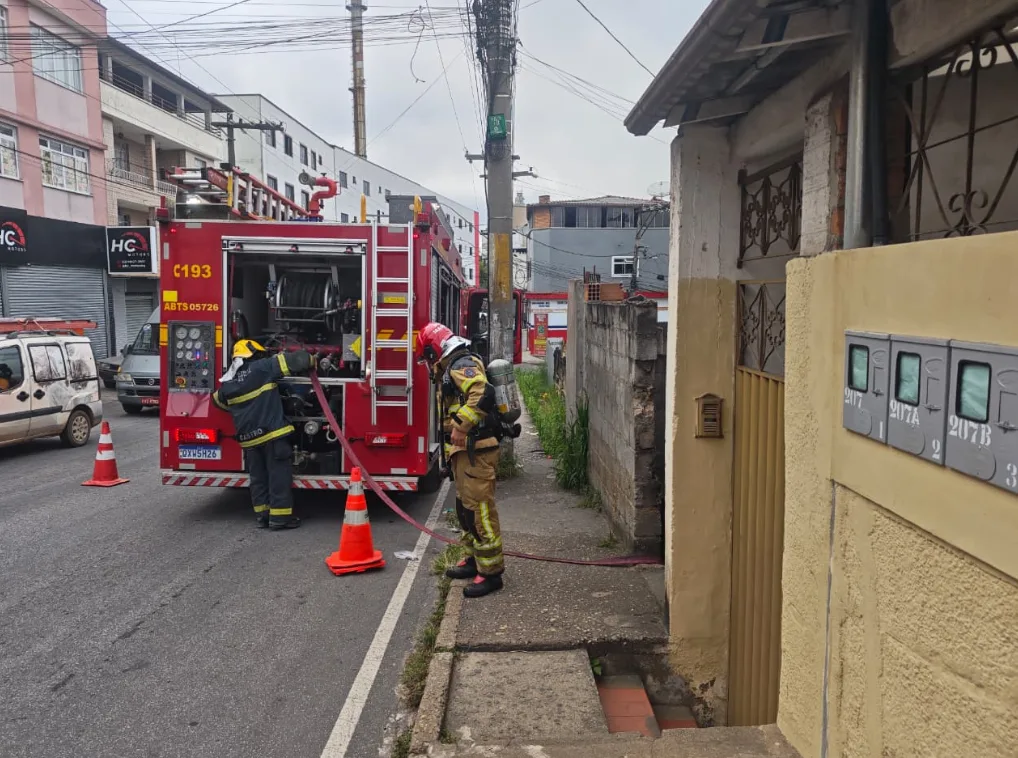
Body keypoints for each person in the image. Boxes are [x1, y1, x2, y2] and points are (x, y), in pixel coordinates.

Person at [416, 322, 504, 598]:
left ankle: (491, 574)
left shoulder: (460, 364)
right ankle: (474, 561)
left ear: (434, 350)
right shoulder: (453, 364)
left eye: (427, 356)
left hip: (477, 450)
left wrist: (461, 426)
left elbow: (482, 393)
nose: (429, 363)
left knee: (479, 512)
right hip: (465, 452)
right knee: (465, 510)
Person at [212, 339, 314, 530]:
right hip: (272, 435)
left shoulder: (227, 382)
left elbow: (217, 401)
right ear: (254, 354)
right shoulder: (263, 367)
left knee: (258, 478)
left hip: (249, 440)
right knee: (278, 476)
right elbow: (300, 360)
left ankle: (263, 515)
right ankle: (280, 518)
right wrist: (312, 359)